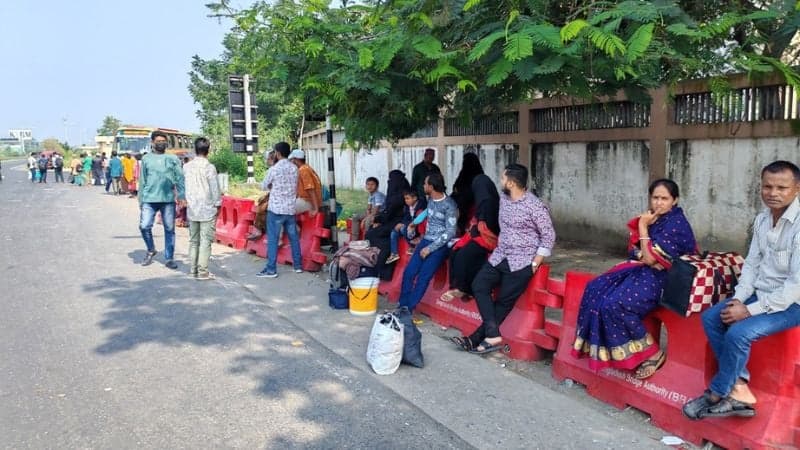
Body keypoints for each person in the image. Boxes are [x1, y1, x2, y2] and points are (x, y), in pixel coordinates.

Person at [683, 161, 800, 420]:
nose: (773, 193)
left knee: (738, 333)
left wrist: (748, 310)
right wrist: (737, 300)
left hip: (794, 304)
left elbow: (795, 287)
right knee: (713, 317)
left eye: (782, 187)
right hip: (761, 295)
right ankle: (740, 387)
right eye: (767, 186)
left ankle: (717, 392)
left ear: (797, 189)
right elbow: (751, 267)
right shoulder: (761, 220)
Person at [570, 179, 696, 377]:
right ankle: (605, 350)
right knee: (595, 288)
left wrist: (643, 228)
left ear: (675, 200)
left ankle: (652, 353)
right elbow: (637, 253)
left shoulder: (676, 224)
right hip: (646, 271)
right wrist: (644, 251)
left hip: (669, 280)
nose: (659, 203)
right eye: (655, 198)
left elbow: (648, 257)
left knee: (616, 304)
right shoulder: (656, 218)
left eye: (664, 198)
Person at [449, 164, 555, 354]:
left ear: (512, 183)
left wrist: (534, 263)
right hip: (500, 256)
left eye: (503, 178)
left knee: (503, 303)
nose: (500, 181)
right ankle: (491, 334)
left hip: (522, 262)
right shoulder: (504, 200)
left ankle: (476, 339)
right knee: (479, 285)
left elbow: (548, 236)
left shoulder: (535, 207)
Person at [398, 173, 458, 311]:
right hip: (426, 240)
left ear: (431, 186)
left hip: (439, 246)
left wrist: (430, 248)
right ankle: (402, 305)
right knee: (409, 272)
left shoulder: (450, 205)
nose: (423, 186)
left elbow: (450, 232)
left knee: (423, 278)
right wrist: (414, 223)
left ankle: (409, 308)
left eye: (425, 183)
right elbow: (427, 212)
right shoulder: (430, 199)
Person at [440, 174, 500, 302]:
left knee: (464, 254)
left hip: (490, 239)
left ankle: (464, 289)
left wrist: (476, 230)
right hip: (478, 235)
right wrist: (473, 230)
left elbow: (492, 227)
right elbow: (476, 221)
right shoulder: (481, 202)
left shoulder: (491, 202)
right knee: (454, 250)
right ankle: (455, 286)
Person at [138, 131, 186, 269]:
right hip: (149, 198)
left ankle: (169, 258)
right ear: (152, 143)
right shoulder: (146, 159)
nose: (161, 143)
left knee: (169, 229)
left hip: (167, 199)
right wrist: (140, 199)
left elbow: (179, 178)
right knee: (144, 226)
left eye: (163, 141)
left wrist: (181, 195)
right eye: (158, 141)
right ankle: (151, 249)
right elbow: (143, 180)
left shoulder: (173, 159)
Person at [256, 142, 303, 278]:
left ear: (277, 153)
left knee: (273, 239)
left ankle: (271, 269)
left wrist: (272, 186)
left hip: (276, 209)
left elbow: (263, 186)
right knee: (294, 238)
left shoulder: (274, 169)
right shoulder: (294, 168)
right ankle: (298, 266)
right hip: (290, 208)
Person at [183, 137, 222, 280]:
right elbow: (215, 189)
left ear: (194, 149)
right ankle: (203, 271)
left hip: (192, 209)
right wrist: (218, 204)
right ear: (208, 150)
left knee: (194, 241)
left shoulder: (186, 167)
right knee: (205, 241)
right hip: (207, 209)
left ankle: (192, 270)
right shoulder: (209, 167)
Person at [366, 170, 412, 280]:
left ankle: (381, 268)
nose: (389, 182)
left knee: (373, 234)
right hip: (393, 220)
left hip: (399, 222)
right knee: (373, 232)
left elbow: (389, 212)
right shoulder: (401, 190)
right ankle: (379, 267)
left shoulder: (399, 195)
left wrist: (377, 219)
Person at [386, 190, 428, 264]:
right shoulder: (407, 207)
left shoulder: (421, 207)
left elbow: (418, 221)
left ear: (415, 198)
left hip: (417, 229)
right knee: (394, 232)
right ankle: (394, 253)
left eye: (407, 198)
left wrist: (404, 225)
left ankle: (412, 246)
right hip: (409, 227)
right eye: (405, 199)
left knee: (403, 229)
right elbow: (405, 218)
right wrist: (401, 223)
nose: (406, 201)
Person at [451, 153, 484, 234]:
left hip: (469, 200)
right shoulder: (465, 172)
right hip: (464, 199)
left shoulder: (476, 174)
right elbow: (456, 186)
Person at [246, 150, 276, 241]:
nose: (266, 161)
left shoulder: (272, 169)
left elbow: (264, 186)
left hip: (276, 197)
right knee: (262, 201)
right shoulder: (291, 168)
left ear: (271, 159)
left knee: (262, 206)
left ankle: (258, 230)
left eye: (267, 159)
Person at [288, 149, 322, 216]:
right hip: (307, 200)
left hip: (308, 201)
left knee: (283, 210)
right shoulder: (306, 167)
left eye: (292, 160)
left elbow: (310, 189)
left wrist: (316, 208)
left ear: (296, 160)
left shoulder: (303, 170)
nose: (291, 162)